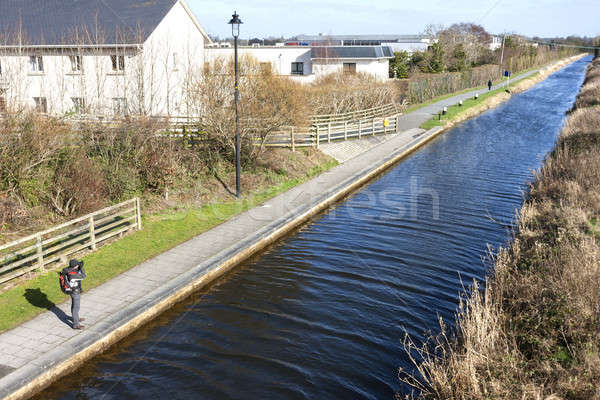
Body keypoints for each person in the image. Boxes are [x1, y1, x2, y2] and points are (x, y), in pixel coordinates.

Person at [66, 259, 86, 330]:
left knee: (74, 305)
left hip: (72, 291)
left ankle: (75, 318)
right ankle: (76, 325)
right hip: (75, 292)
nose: (78, 265)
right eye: (77, 265)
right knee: (76, 307)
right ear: (75, 266)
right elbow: (84, 276)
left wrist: (79, 267)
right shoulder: (73, 275)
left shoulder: (69, 269)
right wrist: (81, 267)